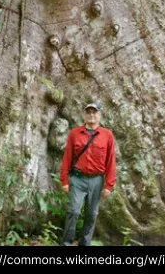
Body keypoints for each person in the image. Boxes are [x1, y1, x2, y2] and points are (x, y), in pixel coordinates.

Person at [59, 102, 116, 246]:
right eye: (88, 112)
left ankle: (85, 243)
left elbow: (111, 161)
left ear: (99, 115)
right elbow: (67, 158)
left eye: (94, 112)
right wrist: (64, 180)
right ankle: (66, 243)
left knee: (92, 215)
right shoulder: (75, 133)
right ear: (85, 115)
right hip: (77, 179)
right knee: (74, 211)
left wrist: (109, 185)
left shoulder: (107, 135)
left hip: (97, 180)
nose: (91, 115)